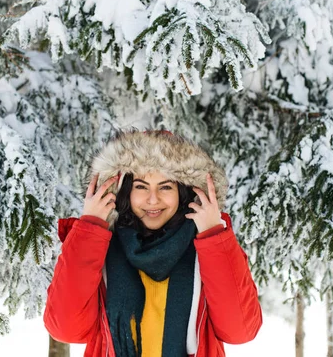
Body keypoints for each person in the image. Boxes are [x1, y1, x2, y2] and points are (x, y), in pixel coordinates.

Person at [44, 130, 262, 356]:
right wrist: (90, 228)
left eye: (166, 186)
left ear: (185, 192)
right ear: (124, 191)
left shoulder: (206, 248)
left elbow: (240, 330)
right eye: (140, 186)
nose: (152, 198)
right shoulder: (100, 247)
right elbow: (66, 328)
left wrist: (213, 236)